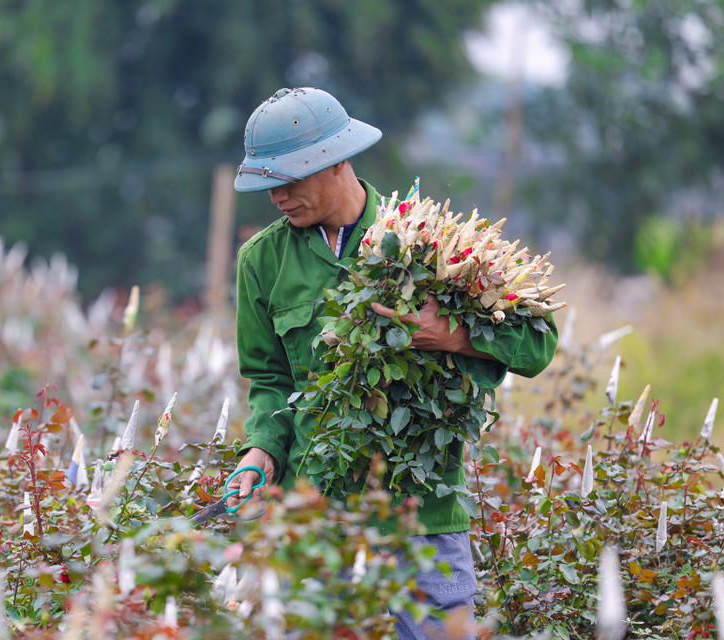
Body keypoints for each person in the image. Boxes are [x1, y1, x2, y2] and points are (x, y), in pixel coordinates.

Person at [226, 87, 557, 639]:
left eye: (289, 179)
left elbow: (537, 343)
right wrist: (260, 451)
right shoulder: (261, 262)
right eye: (266, 184)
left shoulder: (429, 240)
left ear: (336, 162)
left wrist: (451, 335)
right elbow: (270, 383)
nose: (277, 197)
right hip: (318, 516)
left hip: (422, 515)